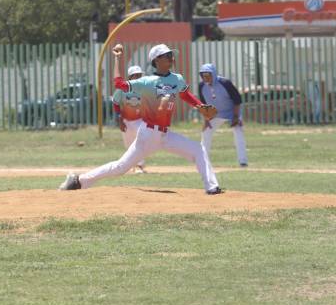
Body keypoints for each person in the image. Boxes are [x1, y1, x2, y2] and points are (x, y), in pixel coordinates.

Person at [60, 43, 222, 194]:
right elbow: (119, 84)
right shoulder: (146, 82)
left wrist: (200, 106)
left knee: (198, 149)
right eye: (167, 55)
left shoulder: (177, 78)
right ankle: (79, 181)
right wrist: (117, 58)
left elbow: (185, 94)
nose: (171, 57)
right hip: (148, 135)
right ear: (156, 60)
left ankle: (212, 187)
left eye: (171, 54)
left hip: (166, 135)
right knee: (121, 167)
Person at [198, 63, 248, 167]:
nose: (206, 77)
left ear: (214, 74)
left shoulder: (225, 83)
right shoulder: (201, 86)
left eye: (208, 75)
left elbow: (237, 100)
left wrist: (235, 117)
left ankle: (243, 161)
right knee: (206, 133)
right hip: (214, 113)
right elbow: (203, 104)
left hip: (231, 112)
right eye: (203, 75)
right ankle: (203, 161)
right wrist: (206, 120)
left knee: (238, 132)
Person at [112, 64, 146, 174]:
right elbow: (116, 103)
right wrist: (119, 119)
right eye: (136, 75)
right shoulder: (123, 89)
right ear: (130, 77)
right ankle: (131, 166)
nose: (138, 77)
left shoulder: (144, 88)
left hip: (139, 120)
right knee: (129, 144)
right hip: (126, 120)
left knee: (140, 141)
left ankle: (140, 166)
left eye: (140, 75)